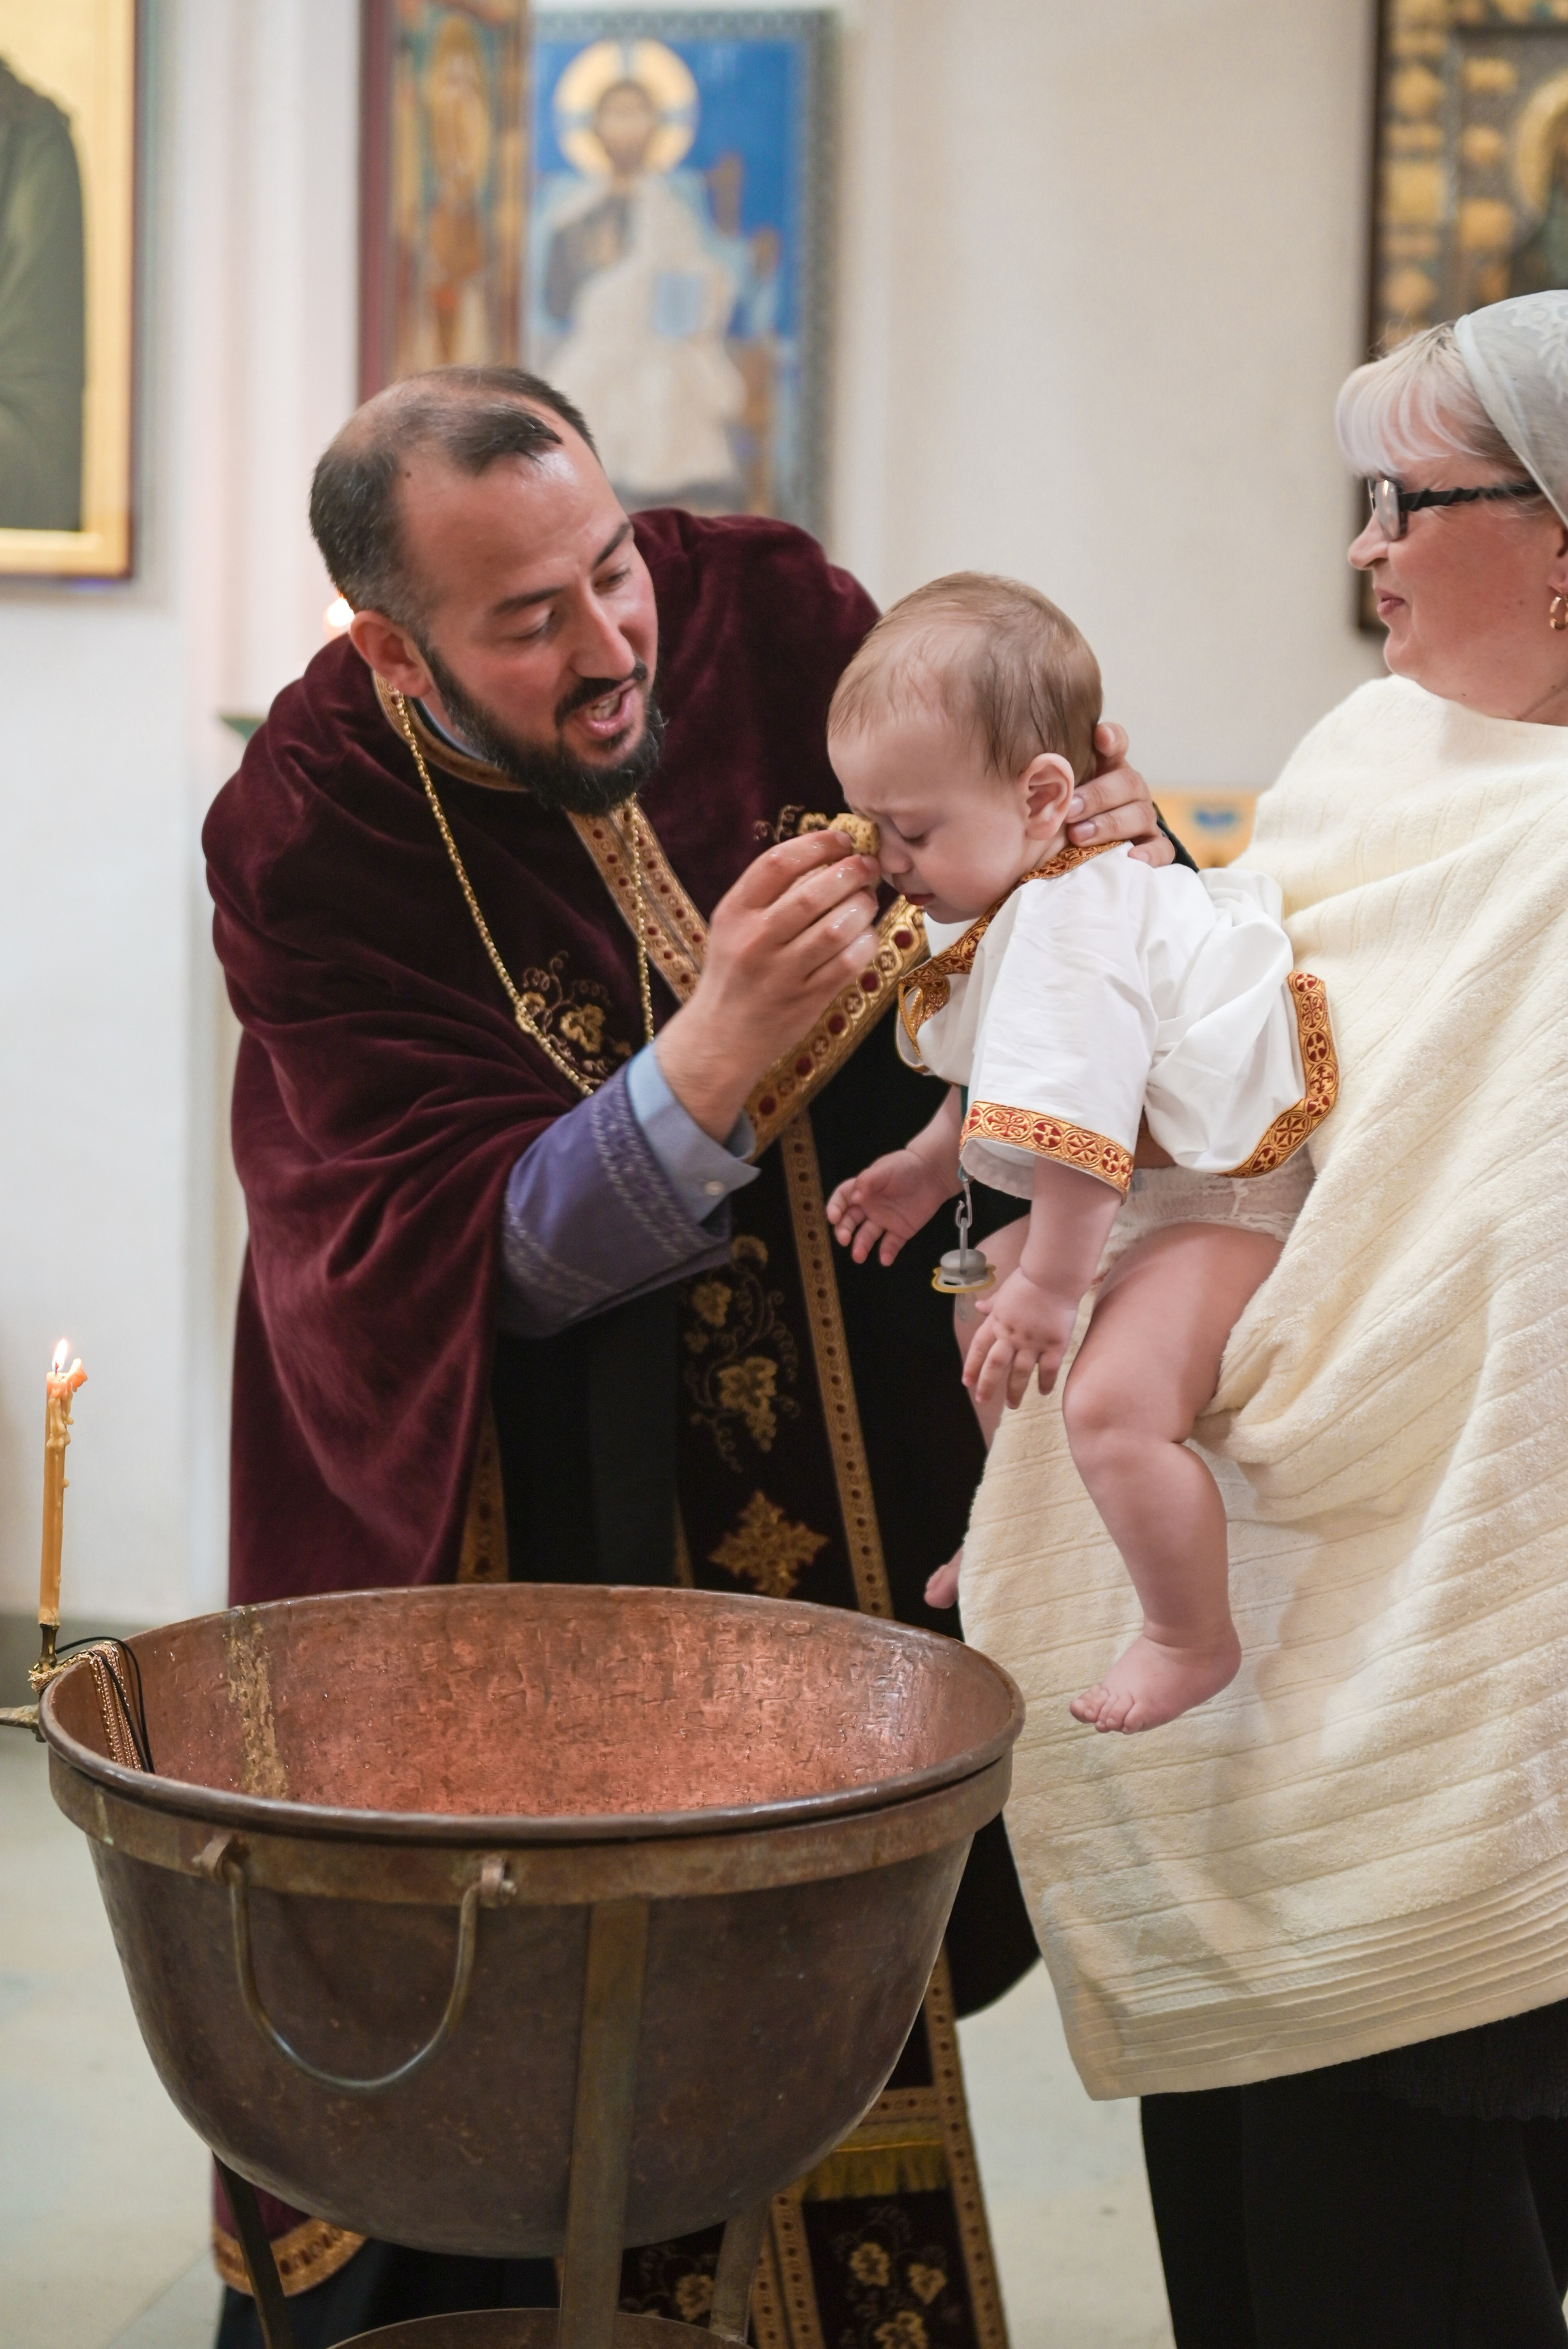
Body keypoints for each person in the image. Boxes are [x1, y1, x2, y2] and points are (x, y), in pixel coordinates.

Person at [202, 363, 1172, 2347]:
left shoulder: (770, 616)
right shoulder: (311, 825)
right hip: (527, 1569)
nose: (611, 645)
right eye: (527, 619)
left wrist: (1086, 870)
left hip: (823, 1501)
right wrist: (708, 1062)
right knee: (512, 2130)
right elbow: (457, 1260)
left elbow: (996, 859)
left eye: (612, 567)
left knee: (824, 2056)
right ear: (392, 642)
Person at [961, 290, 1568, 2347]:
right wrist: (1145, 907)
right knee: (1248, 2251)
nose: (1366, 548)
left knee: (1411, 2259)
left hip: (1467, 1660)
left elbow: (1488, 1257)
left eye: (1408, 501)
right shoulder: (1369, 753)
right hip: (1260, 1621)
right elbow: (1288, 1105)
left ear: (1565, 536)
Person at [824, 575, 1333, 1733]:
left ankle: (1187, 1635)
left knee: (1106, 1398)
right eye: (873, 826)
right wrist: (926, 1162)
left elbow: (1080, 1107)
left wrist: (1056, 1284)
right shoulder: (1020, 897)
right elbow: (1009, 1065)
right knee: (978, 1310)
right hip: (1138, 1193)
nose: (891, 861)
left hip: (1227, 1202)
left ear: (1045, 792)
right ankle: (1014, 1535)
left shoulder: (1078, 912)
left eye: (912, 830)